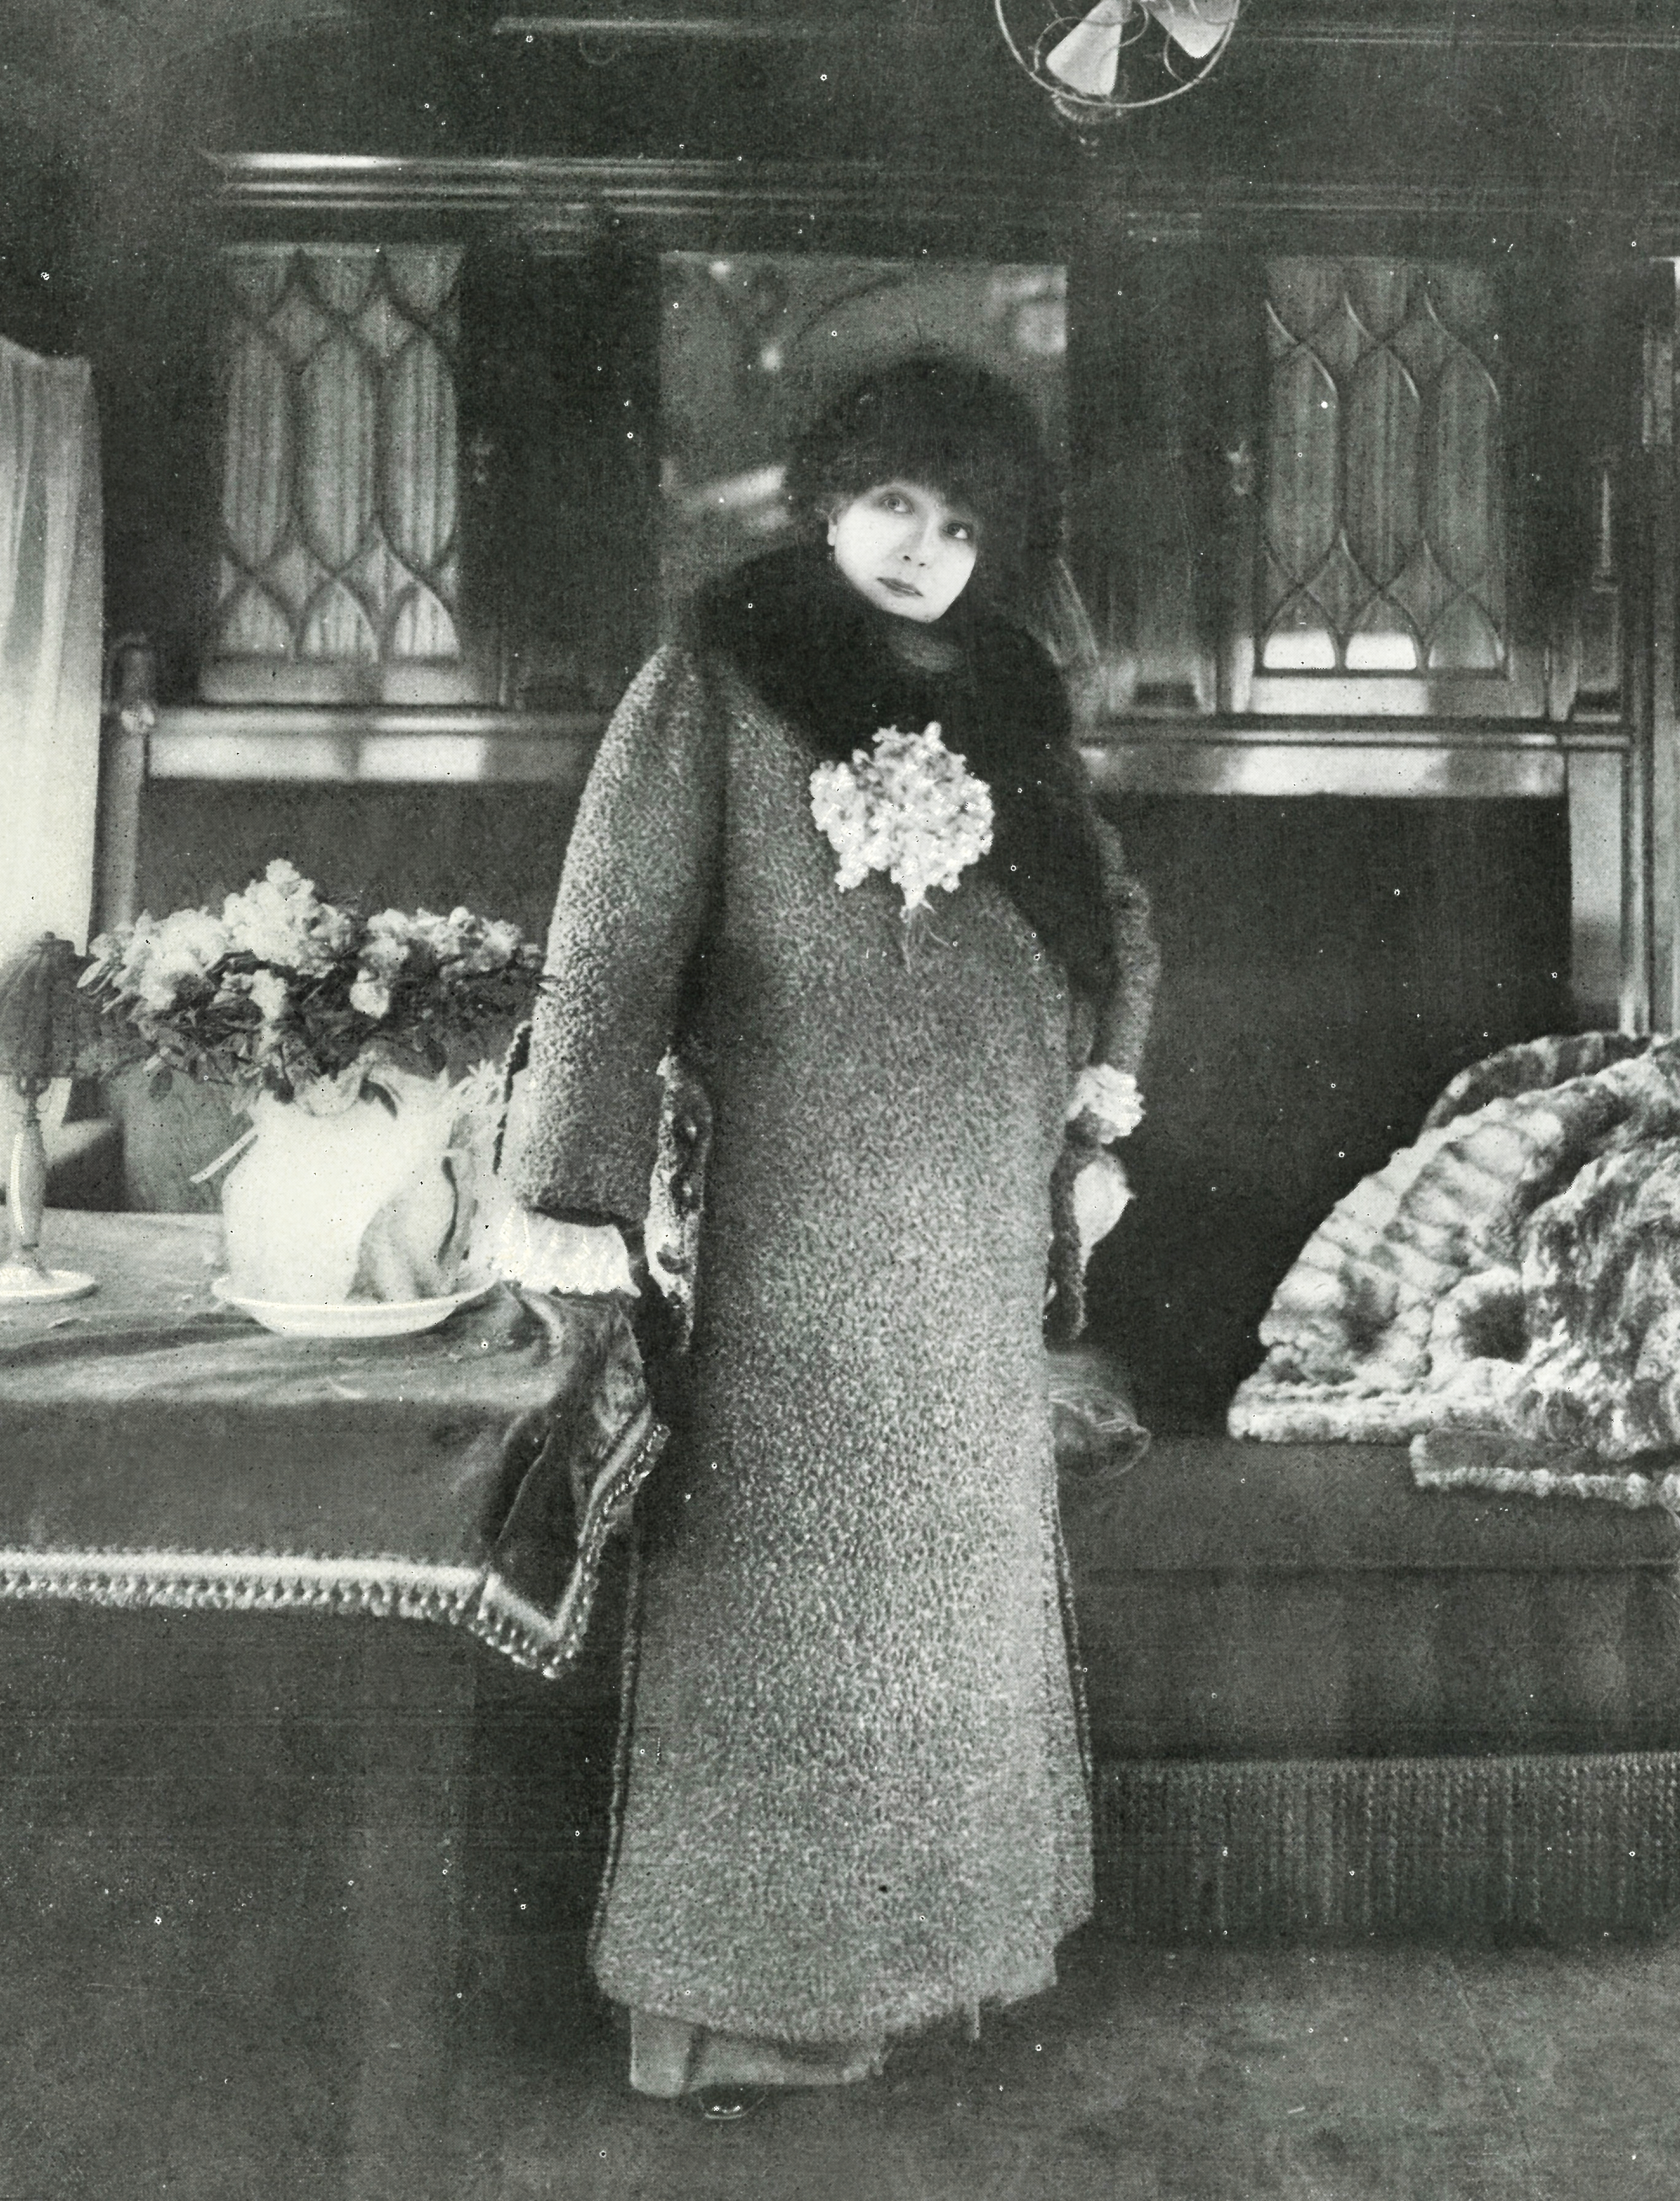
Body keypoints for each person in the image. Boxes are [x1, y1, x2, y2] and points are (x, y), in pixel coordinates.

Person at [499, 356, 1159, 2109]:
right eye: (892, 505)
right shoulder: (716, 672)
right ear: (824, 498)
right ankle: (719, 2005)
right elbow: (611, 945)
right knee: (783, 1598)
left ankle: (922, 1967)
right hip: (793, 1218)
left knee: (943, 1609)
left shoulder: (1014, 690)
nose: (921, 550)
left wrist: (1102, 1098)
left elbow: (1110, 913)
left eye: (961, 526)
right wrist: (573, 1204)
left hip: (975, 1228)